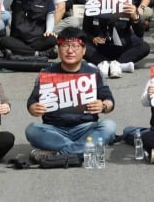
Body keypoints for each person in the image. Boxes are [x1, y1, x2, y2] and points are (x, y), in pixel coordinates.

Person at [25, 27, 117, 166]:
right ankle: (84, 151)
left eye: (75, 46)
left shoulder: (94, 72)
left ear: (84, 50)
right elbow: (32, 101)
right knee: (32, 130)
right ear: (58, 49)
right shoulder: (47, 73)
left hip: (85, 127)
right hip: (54, 129)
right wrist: (33, 108)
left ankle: (59, 155)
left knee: (109, 126)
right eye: (65, 46)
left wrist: (103, 105)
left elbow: (109, 100)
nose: (70, 50)